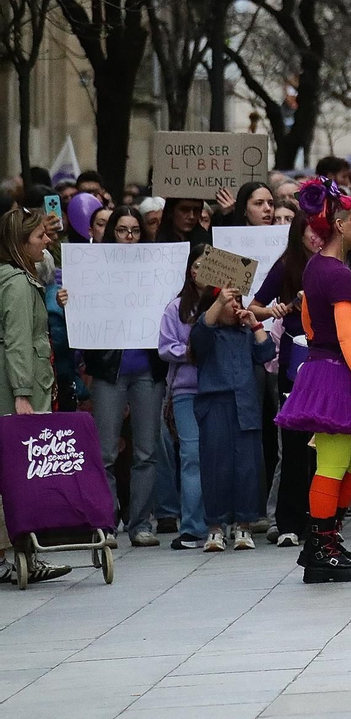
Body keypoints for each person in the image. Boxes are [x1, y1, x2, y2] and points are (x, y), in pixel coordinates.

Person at [273, 178, 351, 584]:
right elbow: (346, 335)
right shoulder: (335, 272)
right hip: (336, 373)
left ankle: (323, 538)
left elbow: (309, 321)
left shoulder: (319, 267)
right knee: (334, 463)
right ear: (340, 224)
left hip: (329, 369)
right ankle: (322, 545)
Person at [79, 207, 167, 548]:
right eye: (122, 230)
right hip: (109, 371)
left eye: (135, 231)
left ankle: (140, 523)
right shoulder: (94, 270)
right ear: (111, 233)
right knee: (105, 454)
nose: (129, 237)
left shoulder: (155, 269)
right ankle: (107, 522)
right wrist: (69, 299)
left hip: (147, 371)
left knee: (146, 451)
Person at [0, 207, 70, 584]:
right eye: (39, 236)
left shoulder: (19, 279)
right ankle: (22, 556)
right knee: (19, 475)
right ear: (19, 242)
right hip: (19, 394)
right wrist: (23, 394)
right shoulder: (15, 284)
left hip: (21, 387)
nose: (46, 241)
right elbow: (17, 342)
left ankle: (17, 555)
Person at [249, 211, 317, 550]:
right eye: (310, 231)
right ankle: (288, 521)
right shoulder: (286, 265)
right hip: (295, 358)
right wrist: (277, 310)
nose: (316, 237)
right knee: (293, 443)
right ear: (298, 233)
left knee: (326, 441)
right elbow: (254, 307)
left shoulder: (335, 263)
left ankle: (320, 519)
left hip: (328, 355)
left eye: (322, 231)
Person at [191, 286, 275, 552]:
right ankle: (215, 528)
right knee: (216, 466)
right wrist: (219, 302)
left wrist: (254, 322)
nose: (236, 305)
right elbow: (200, 332)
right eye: (230, 301)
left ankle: (243, 525)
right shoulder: (207, 332)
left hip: (245, 404)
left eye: (239, 300)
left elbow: (267, 353)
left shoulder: (245, 333)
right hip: (215, 405)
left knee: (247, 467)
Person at [159, 243, 212, 551]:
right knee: (191, 456)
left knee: (218, 455)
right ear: (191, 271)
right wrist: (189, 352)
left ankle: (220, 521)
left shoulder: (227, 304)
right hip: (187, 392)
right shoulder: (176, 308)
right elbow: (165, 347)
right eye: (199, 265)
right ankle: (192, 527)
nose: (203, 271)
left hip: (219, 391)